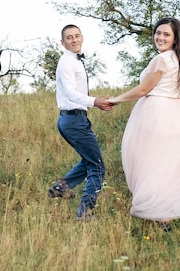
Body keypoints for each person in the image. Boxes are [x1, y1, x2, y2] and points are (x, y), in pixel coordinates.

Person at [107, 17, 180, 231]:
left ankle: (159, 214)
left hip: (158, 114)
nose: (160, 37)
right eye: (158, 33)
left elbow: (143, 90)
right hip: (177, 116)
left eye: (166, 34)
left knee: (151, 163)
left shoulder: (162, 59)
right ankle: (167, 211)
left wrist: (115, 100)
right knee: (168, 165)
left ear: (175, 39)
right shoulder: (178, 59)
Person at [48, 24, 112, 221]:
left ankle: (61, 187)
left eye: (77, 36)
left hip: (73, 119)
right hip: (73, 119)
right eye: (69, 37)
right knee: (97, 166)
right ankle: (84, 212)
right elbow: (70, 93)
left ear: (82, 37)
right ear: (63, 42)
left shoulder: (75, 61)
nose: (74, 40)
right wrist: (96, 102)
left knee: (89, 160)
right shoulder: (67, 62)